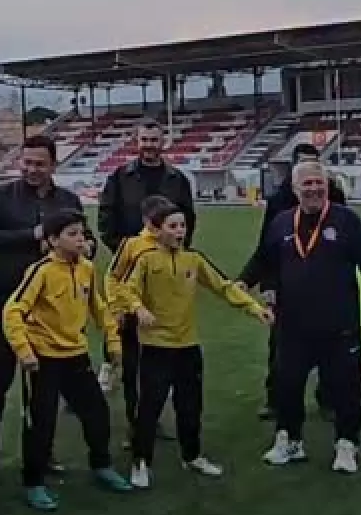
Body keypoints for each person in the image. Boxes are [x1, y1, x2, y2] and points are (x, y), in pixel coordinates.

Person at [109, 199, 270, 488]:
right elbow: (125, 287)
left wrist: (254, 308)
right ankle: (140, 461)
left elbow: (223, 286)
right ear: (157, 231)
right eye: (173, 226)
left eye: (182, 225)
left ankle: (192, 455)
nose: (180, 231)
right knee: (149, 407)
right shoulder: (145, 258)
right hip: (155, 346)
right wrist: (137, 308)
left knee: (190, 404)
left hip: (187, 345)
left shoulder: (193, 259)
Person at [261, 160, 361, 475]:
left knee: (345, 389)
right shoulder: (281, 223)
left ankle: (347, 444)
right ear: (294, 189)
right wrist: (253, 285)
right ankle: (289, 440)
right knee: (287, 385)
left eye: (319, 182)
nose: (314, 189)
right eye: (307, 184)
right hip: (292, 325)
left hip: (340, 324)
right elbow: (265, 260)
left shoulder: (347, 221)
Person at [1, 209, 132, 511]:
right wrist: (25, 351)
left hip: (76, 355)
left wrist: (113, 343)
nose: (80, 240)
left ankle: (102, 466)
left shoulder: (86, 268)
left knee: (96, 413)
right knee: (41, 423)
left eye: (82, 233)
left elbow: (99, 308)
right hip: (43, 360)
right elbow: (13, 311)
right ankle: (33, 483)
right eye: (71, 234)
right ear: (52, 240)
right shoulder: (41, 271)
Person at [0, 135, 75, 473]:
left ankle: (41, 454)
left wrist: (82, 246)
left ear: (54, 165)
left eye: (40, 164)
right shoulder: (3, 195)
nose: (32, 169)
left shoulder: (67, 200)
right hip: (6, 302)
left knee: (44, 390)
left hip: (50, 309)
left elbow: (82, 237)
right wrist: (31, 235)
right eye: (27, 162)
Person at [97, 123, 198, 439]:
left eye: (155, 140)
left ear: (163, 143)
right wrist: (131, 253)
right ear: (136, 142)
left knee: (159, 355)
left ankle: (153, 419)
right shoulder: (119, 178)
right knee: (132, 358)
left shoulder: (177, 180)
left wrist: (172, 255)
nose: (150, 146)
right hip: (130, 275)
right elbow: (105, 218)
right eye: (145, 140)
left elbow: (188, 220)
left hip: (165, 282)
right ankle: (135, 423)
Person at [240, 142, 347, 421]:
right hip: (289, 287)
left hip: (327, 287)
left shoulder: (334, 195)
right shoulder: (278, 200)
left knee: (331, 349)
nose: (310, 180)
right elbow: (267, 248)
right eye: (302, 167)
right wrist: (262, 284)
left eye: (314, 167)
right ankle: (276, 400)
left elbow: (348, 241)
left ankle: (330, 400)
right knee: (281, 349)